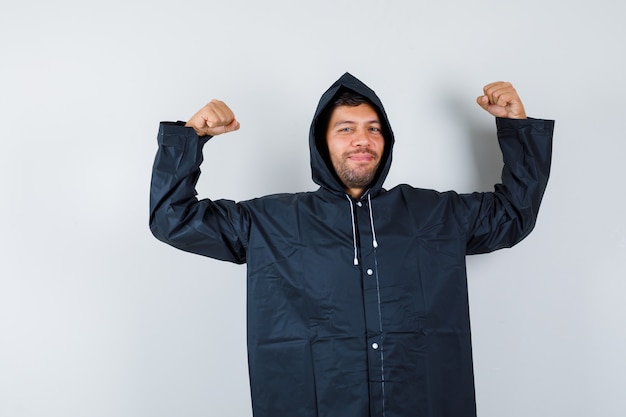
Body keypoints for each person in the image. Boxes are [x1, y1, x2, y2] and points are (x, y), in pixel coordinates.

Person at [149, 72, 554, 417]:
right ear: (322, 143)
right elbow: (174, 219)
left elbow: (513, 215)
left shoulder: (435, 214)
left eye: (373, 129)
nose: (362, 139)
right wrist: (191, 137)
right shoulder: (270, 222)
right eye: (346, 129)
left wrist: (517, 128)